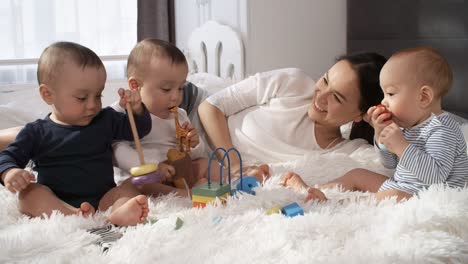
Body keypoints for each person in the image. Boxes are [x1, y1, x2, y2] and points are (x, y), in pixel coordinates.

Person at [284, 47, 468, 202]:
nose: (384, 101)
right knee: (358, 174)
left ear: (423, 97)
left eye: (391, 93)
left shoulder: (442, 130)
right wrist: (381, 136)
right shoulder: (410, 125)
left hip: (427, 197)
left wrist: (401, 146)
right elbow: (390, 163)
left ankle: (334, 203)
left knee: (389, 195)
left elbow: (434, 177)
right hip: (403, 186)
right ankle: (314, 190)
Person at [0, 41, 152, 226]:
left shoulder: (105, 119)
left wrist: (136, 109)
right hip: (57, 201)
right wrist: (9, 172)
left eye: (98, 95)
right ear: (48, 94)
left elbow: (138, 130)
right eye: (81, 97)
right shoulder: (36, 132)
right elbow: (8, 156)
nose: (92, 105)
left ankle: (116, 215)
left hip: (104, 198)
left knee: (131, 185)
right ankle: (73, 216)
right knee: (28, 195)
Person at [111, 39, 269, 197]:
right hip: (151, 175)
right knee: (139, 185)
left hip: (181, 170)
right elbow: (118, 151)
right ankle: (185, 195)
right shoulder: (123, 114)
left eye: (180, 88)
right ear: (135, 85)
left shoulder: (179, 114)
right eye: (166, 89)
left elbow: (196, 155)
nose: (176, 97)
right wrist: (154, 167)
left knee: (208, 164)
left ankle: (236, 181)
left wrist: (193, 144)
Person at [198, 52, 388, 175]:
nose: (321, 96)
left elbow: (390, 169)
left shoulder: (347, 153)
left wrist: (379, 125)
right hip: (189, 118)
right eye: (325, 80)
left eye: (337, 98)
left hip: (198, 165)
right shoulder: (294, 83)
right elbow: (210, 107)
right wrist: (232, 165)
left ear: (360, 114)